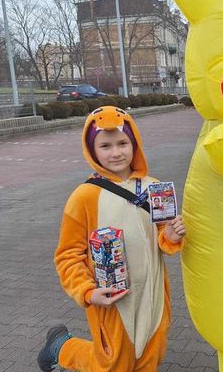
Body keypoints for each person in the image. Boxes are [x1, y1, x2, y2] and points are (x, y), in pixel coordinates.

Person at [37, 106, 186, 372]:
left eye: (122, 143)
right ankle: (61, 347)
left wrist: (170, 236)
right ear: (92, 150)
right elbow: (68, 255)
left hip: (153, 293)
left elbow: (163, 238)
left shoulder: (154, 187)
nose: (116, 153)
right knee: (112, 363)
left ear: (135, 143)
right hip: (113, 299)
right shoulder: (84, 197)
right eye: (105, 146)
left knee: (151, 355)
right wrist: (88, 292)